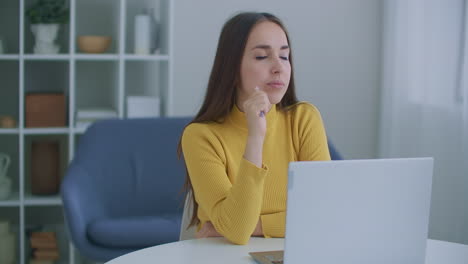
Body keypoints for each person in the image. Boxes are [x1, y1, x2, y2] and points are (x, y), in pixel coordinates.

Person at [179, 12, 331, 245]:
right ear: (232, 66)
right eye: (262, 56)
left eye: (284, 56)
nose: (278, 67)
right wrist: (256, 136)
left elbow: (324, 214)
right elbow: (238, 231)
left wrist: (257, 226)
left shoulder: (304, 118)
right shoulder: (200, 136)